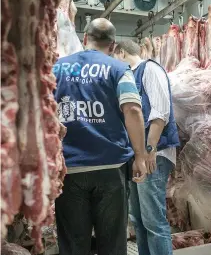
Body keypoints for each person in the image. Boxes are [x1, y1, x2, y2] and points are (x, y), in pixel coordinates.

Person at [53, 19, 147, 255]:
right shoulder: (118, 69)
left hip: (69, 170)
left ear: (85, 39)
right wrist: (140, 156)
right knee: (113, 243)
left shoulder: (56, 68)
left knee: (74, 245)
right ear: (113, 45)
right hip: (110, 169)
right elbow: (133, 109)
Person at [114, 40, 180, 255]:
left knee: (153, 221)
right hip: (137, 156)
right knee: (138, 220)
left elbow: (160, 113)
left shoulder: (150, 69)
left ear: (121, 52)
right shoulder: (129, 76)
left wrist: (149, 151)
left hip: (155, 153)